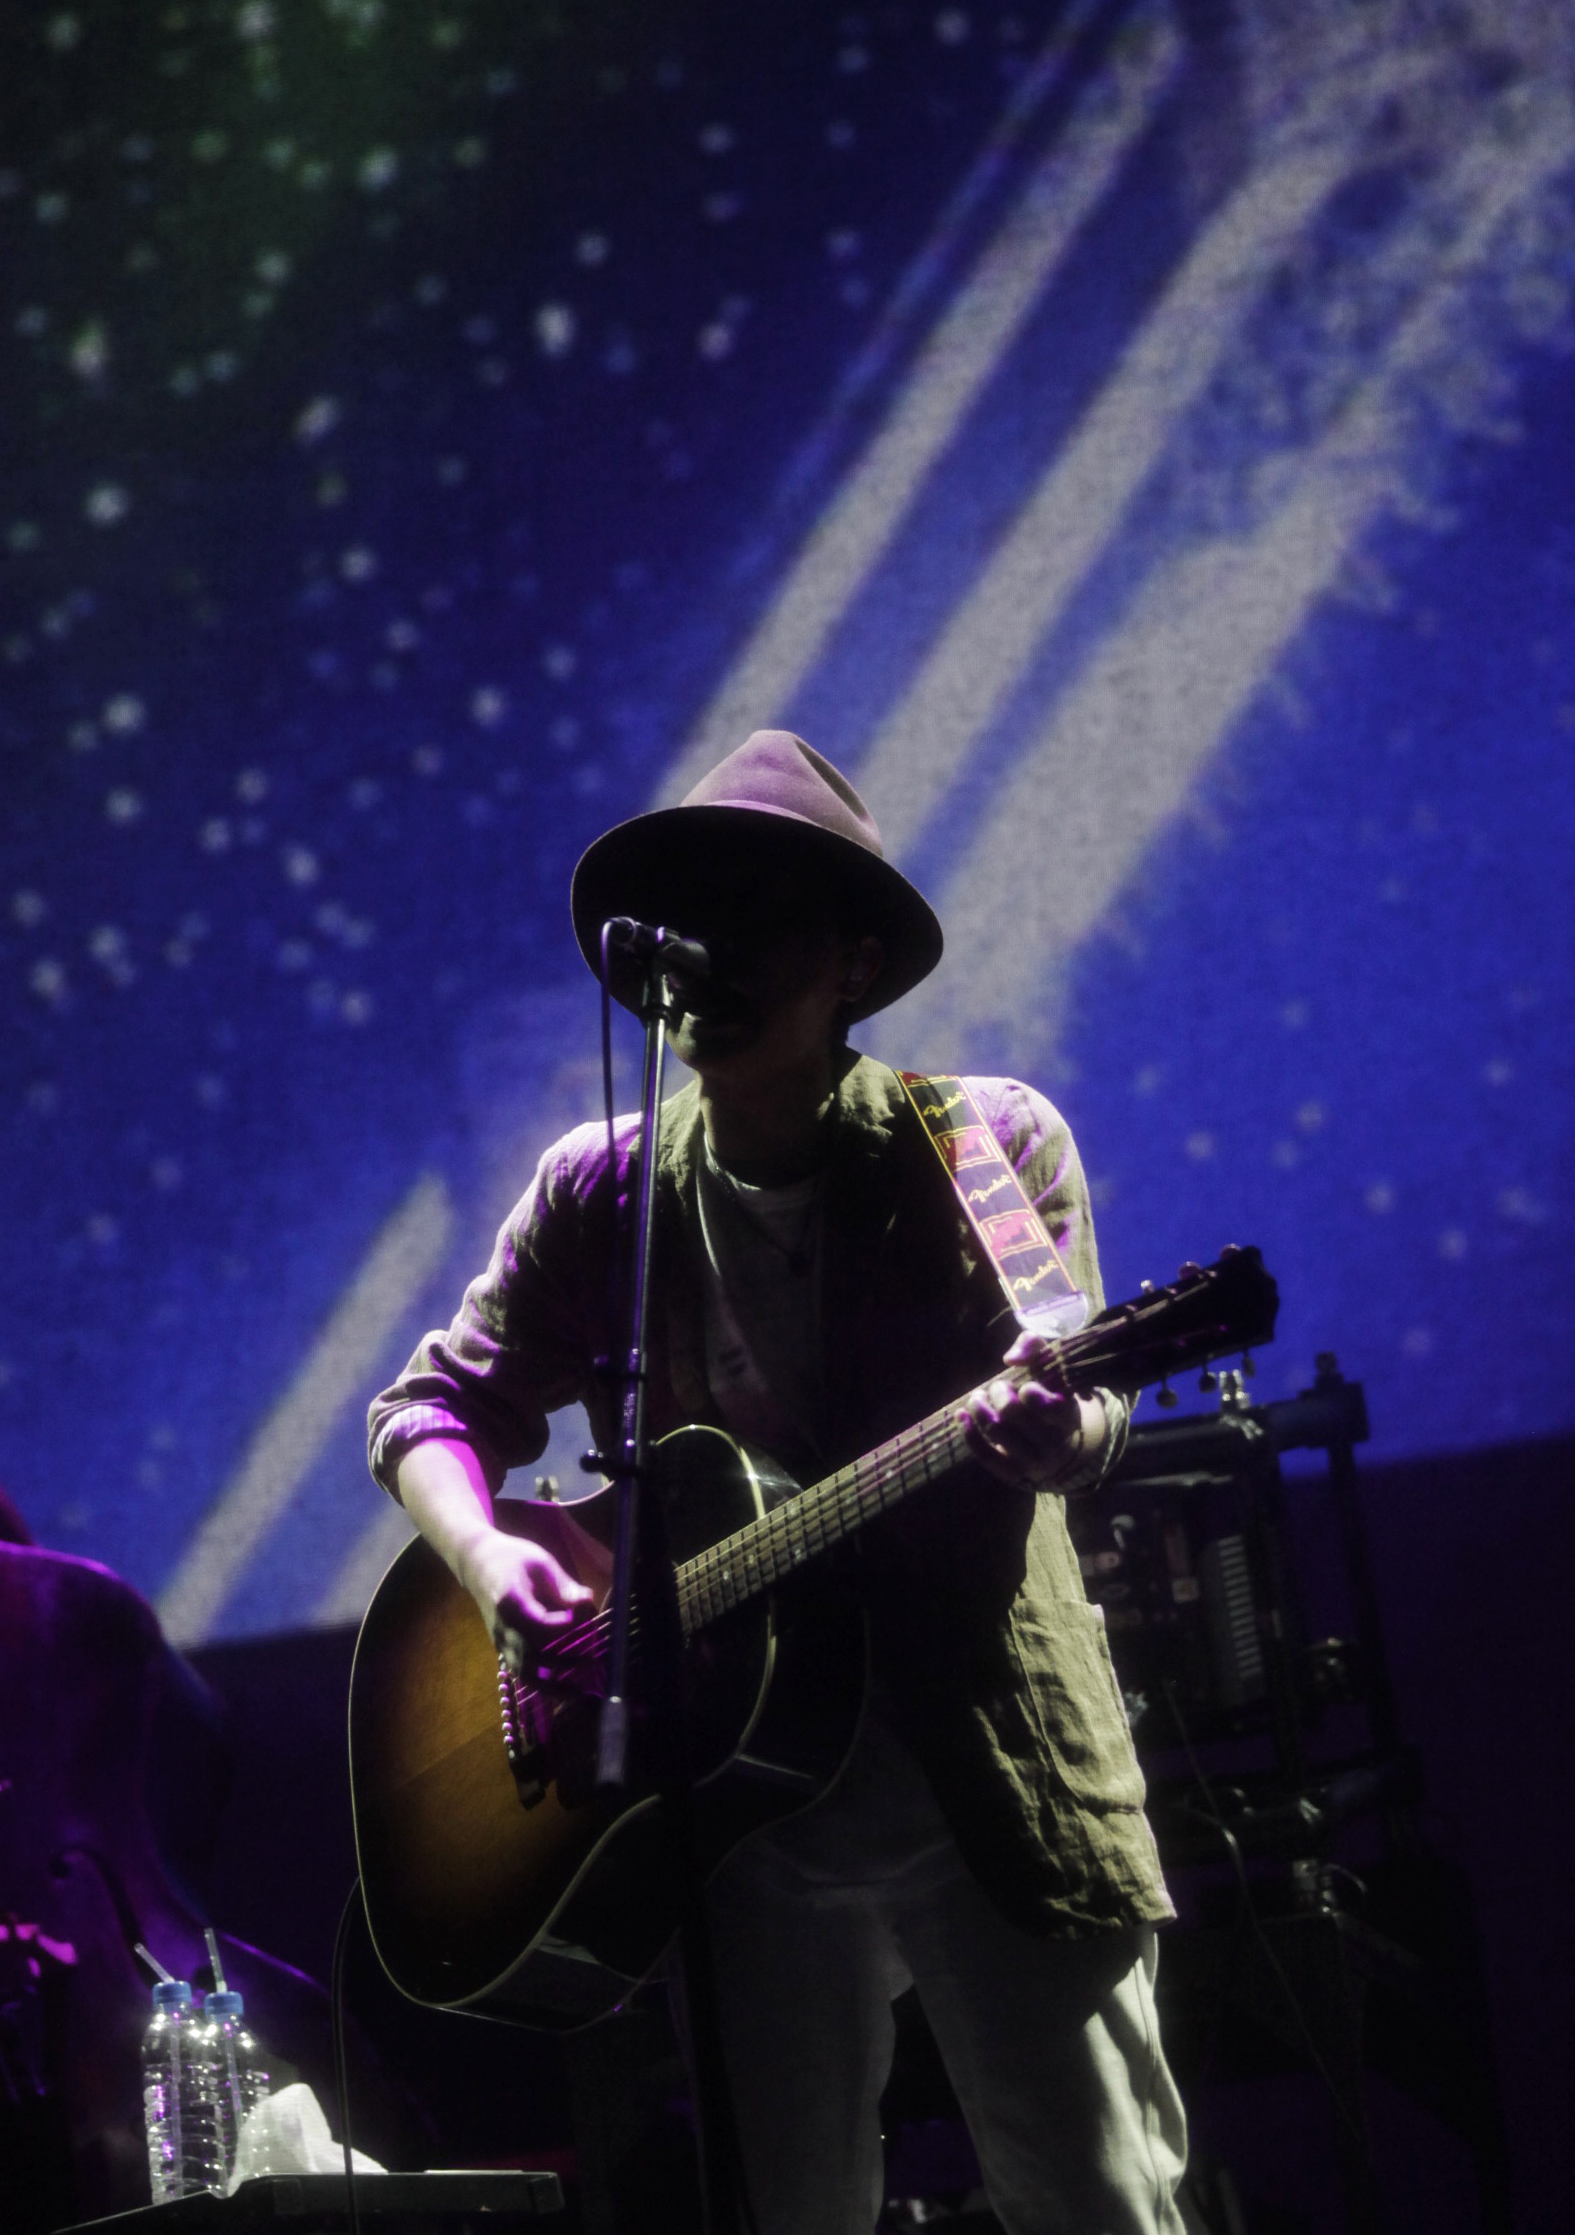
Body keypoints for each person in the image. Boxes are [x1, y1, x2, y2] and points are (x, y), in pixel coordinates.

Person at [367, 731, 1187, 2235]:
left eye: (755, 916)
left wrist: (1058, 1432)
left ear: (854, 964)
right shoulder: (600, 1189)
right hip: (733, 1819)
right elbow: (429, 1411)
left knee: (1099, 2204)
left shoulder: (983, 1141)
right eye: (690, 917)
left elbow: (1081, 1386)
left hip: (992, 1775)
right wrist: (489, 1565)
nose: (707, 951)